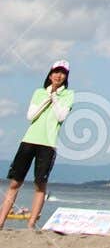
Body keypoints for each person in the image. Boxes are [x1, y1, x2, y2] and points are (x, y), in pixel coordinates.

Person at [0, 61, 74, 230]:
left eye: (63, 73)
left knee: (40, 185)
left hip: (48, 144)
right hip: (28, 141)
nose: (59, 75)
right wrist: (47, 96)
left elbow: (61, 116)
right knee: (14, 183)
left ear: (66, 77)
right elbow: (31, 116)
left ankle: (31, 225)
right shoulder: (39, 92)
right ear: (50, 74)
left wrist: (55, 98)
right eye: (56, 71)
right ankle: (1, 221)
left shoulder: (68, 94)